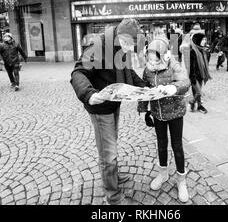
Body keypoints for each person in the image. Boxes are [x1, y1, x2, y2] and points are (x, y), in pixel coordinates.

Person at [70, 18, 147, 205]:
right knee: (108, 153)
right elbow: (78, 73)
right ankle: (113, 197)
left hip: (114, 104)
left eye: (133, 45)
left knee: (112, 144)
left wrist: (145, 89)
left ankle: (113, 178)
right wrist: (89, 94)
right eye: (128, 44)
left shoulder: (120, 47)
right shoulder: (99, 46)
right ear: (119, 36)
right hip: (100, 106)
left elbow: (129, 72)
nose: (130, 49)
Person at [137, 37, 190, 203]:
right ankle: (163, 174)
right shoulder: (147, 70)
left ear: (164, 55)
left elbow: (185, 81)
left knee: (177, 146)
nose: (152, 62)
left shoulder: (173, 64)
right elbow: (144, 90)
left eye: (156, 58)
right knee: (161, 144)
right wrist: (142, 109)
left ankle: (181, 181)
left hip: (175, 112)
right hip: (158, 113)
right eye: (150, 59)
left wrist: (173, 87)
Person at [182, 30, 211, 114]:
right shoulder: (192, 51)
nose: (205, 41)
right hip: (194, 76)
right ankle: (193, 102)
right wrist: (192, 78)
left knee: (197, 93)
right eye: (203, 40)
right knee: (199, 92)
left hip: (201, 75)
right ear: (197, 40)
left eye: (205, 40)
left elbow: (206, 63)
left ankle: (197, 105)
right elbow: (190, 67)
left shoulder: (202, 50)